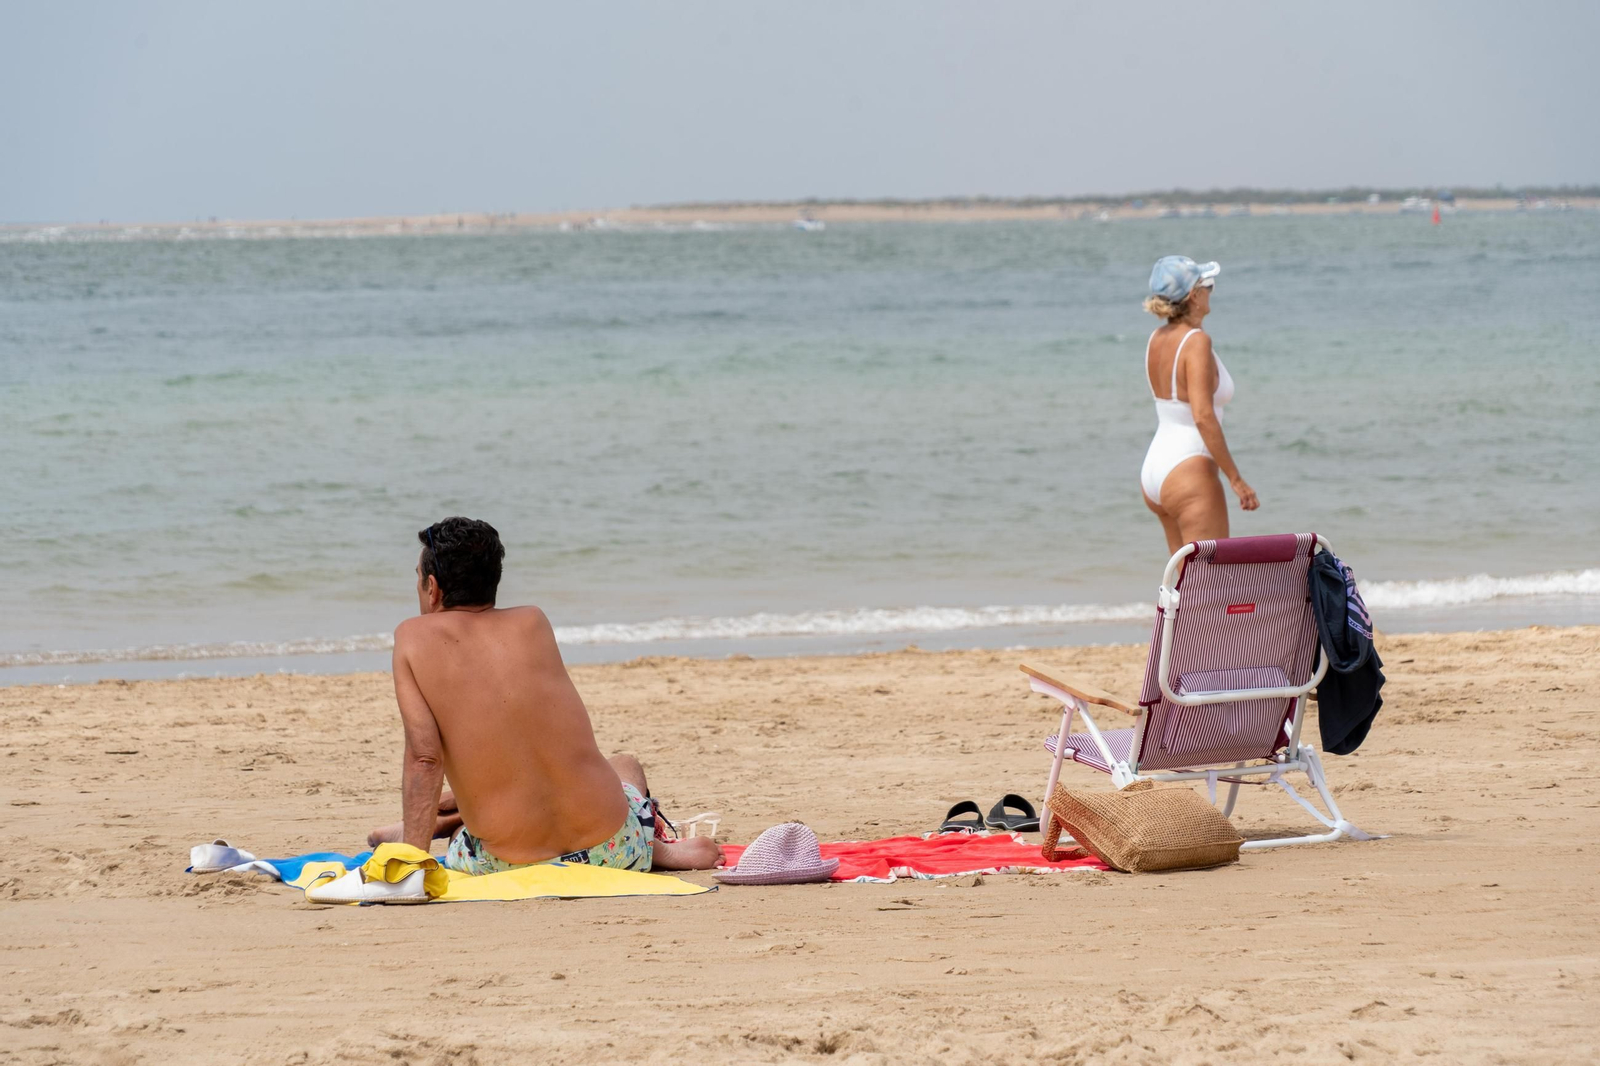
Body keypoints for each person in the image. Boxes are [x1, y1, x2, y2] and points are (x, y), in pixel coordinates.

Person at [366, 516, 722, 874]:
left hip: (510, 864)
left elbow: (425, 759)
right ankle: (654, 845)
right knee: (624, 764)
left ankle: (438, 823)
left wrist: (412, 861)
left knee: (477, 824)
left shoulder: (413, 638)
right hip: (614, 849)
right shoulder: (533, 621)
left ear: (432, 587)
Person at [1138, 256, 1259, 554]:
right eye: (1209, 286)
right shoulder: (1196, 342)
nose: (1211, 293)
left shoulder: (1157, 338)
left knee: (1182, 588)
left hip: (1157, 467)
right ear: (1194, 296)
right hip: (1189, 468)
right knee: (1212, 587)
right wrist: (1236, 479)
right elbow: (1203, 416)